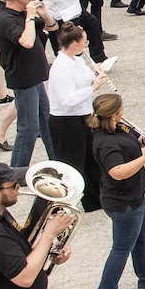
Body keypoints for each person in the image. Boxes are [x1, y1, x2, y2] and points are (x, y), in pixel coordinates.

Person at [88, 93, 145, 289]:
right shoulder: (105, 143)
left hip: (135, 195)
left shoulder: (118, 126)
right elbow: (117, 172)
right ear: (114, 114)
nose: (123, 112)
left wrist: (143, 140)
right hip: (123, 202)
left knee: (142, 238)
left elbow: (131, 145)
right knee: (120, 249)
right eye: (121, 109)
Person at [0, 162, 72, 289]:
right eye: (14, 186)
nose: (19, 188)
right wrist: (49, 235)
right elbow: (24, 277)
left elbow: (22, 246)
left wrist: (55, 245)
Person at [0, 0, 57, 168]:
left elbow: (52, 27)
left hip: (35, 75)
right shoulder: (6, 18)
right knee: (28, 128)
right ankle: (17, 170)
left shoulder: (23, 13)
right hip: (23, 77)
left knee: (47, 122)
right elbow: (27, 42)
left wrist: (43, 13)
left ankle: (58, 161)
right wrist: (30, 16)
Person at [42, 25, 104, 214]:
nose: (86, 44)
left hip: (83, 117)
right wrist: (92, 89)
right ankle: (63, 205)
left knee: (91, 160)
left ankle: (95, 201)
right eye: (84, 41)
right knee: (70, 165)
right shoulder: (61, 67)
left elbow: (84, 80)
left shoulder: (77, 61)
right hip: (65, 122)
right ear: (75, 44)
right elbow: (67, 99)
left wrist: (95, 76)